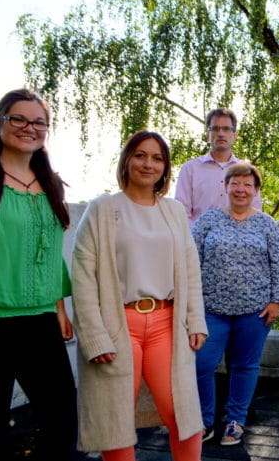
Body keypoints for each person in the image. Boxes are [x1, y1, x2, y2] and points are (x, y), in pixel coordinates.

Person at [72, 131, 208, 460]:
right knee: (116, 420)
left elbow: (190, 269)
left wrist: (196, 320)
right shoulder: (102, 209)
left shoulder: (174, 211)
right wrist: (94, 337)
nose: (149, 164)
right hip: (117, 325)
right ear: (127, 160)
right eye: (140, 155)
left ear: (165, 168)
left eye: (157, 158)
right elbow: (83, 278)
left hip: (166, 324)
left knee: (184, 416)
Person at [0, 88, 77, 460]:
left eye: (39, 122)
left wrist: (59, 306)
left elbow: (49, 251)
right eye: (18, 119)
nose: (29, 128)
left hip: (40, 321)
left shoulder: (50, 184)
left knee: (62, 424)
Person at [192, 161, 279, 446]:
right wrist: (191, 306)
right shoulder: (207, 221)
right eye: (235, 183)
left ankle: (235, 420)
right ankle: (204, 420)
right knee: (201, 364)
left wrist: (277, 301)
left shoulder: (267, 224)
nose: (241, 189)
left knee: (245, 366)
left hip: (254, 312)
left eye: (248, 184)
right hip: (211, 311)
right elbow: (189, 262)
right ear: (225, 187)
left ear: (256, 190)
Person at [175, 107, 261, 225]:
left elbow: (255, 213)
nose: (221, 134)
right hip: (197, 235)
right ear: (207, 134)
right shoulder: (190, 169)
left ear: (235, 135)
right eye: (215, 128)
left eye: (226, 129)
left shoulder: (247, 171)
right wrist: (197, 234)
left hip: (239, 235)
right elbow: (181, 213)